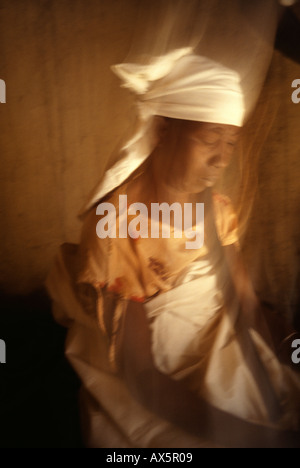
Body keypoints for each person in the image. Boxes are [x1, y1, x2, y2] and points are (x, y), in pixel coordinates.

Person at [46, 49, 300, 448]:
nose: (221, 158)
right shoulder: (116, 227)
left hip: (220, 346)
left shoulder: (216, 212)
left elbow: (246, 309)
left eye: (230, 141)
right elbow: (143, 377)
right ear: (162, 131)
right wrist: (255, 438)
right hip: (163, 377)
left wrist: (292, 347)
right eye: (209, 139)